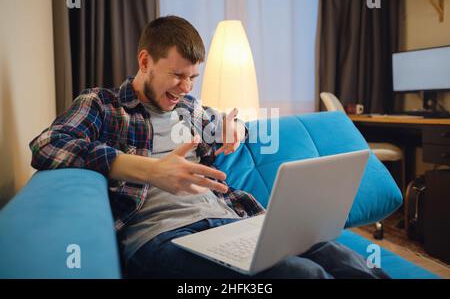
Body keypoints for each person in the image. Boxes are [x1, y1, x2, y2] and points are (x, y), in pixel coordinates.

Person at [30, 15, 389, 279]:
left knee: (342, 258)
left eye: (192, 77)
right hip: (162, 238)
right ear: (145, 61)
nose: (185, 87)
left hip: (232, 221)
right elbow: (47, 146)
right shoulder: (103, 105)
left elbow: (230, 126)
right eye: (177, 75)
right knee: (301, 275)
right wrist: (147, 169)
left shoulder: (189, 108)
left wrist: (233, 126)